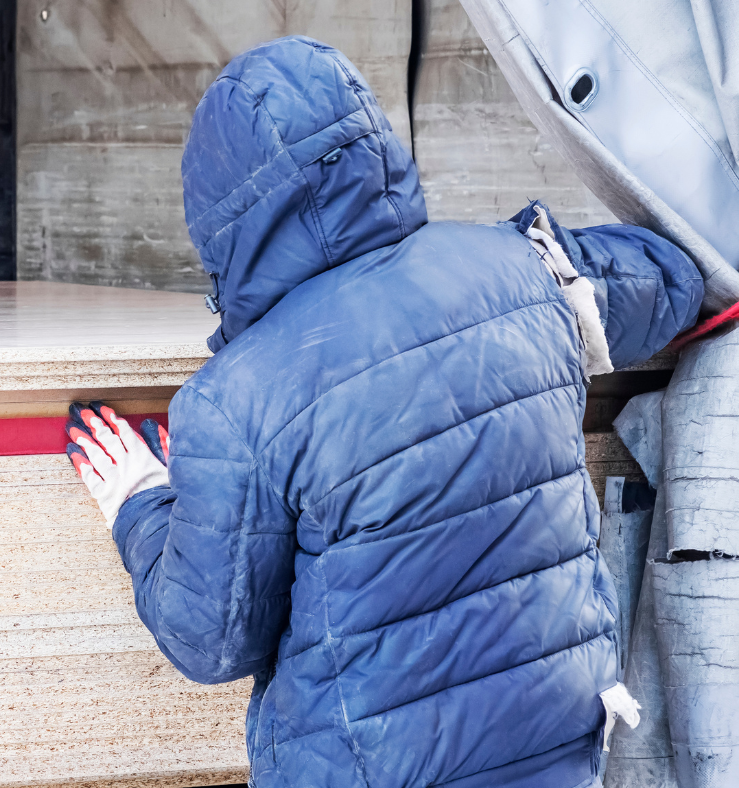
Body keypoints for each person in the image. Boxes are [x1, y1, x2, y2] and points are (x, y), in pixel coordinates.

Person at [66, 36, 703, 788]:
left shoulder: (236, 398)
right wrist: (554, 271)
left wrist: (140, 504)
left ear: (221, 222)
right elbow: (673, 280)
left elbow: (211, 639)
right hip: (559, 748)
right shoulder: (525, 272)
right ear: (375, 153)